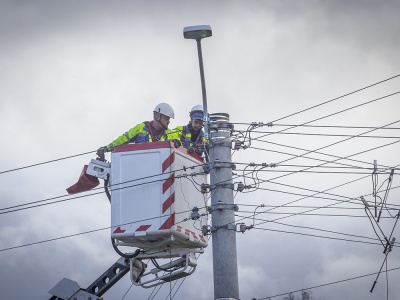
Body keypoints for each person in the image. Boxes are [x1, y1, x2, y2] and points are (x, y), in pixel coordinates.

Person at [97, 102, 178, 158]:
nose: (168, 121)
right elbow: (123, 139)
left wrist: (178, 143)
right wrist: (107, 148)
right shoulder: (141, 128)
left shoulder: (170, 133)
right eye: (166, 118)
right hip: (141, 166)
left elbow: (180, 145)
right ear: (157, 116)